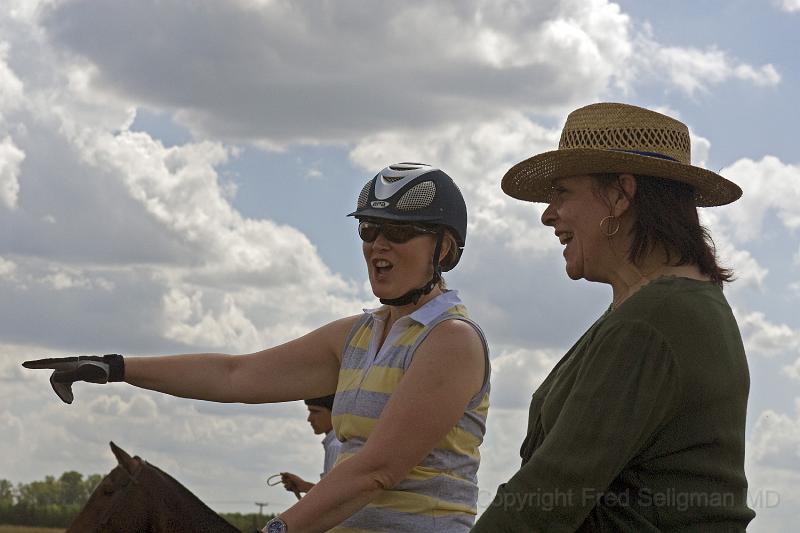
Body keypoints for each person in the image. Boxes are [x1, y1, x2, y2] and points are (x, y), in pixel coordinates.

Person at [23, 162, 491, 533]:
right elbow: (236, 375)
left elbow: (377, 470)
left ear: (444, 249)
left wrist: (276, 529)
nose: (377, 245)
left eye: (400, 233)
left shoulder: (450, 340)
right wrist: (116, 367)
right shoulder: (357, 336)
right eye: (369, 230)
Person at [472, 103, 755, 531]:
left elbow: (549, 495)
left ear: (621, 195)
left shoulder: (654, 318)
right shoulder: (674, 305)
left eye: (562, 192)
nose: (548, 214)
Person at [279, 395, 342, 499]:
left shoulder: (335, 446)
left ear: (335, 413)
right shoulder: (335, 443)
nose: (309, 419)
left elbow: (333, 497)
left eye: (315, 412)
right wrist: (304, 486)